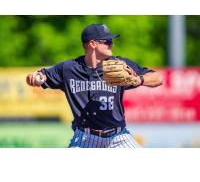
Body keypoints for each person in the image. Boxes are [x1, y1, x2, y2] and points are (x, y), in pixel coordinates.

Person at [26, 23, 163, 148]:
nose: (112, 44)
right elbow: (38, 76)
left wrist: (139, 80)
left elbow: (158, 78)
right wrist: (36, 78)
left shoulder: (118, 65)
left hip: (119, 136)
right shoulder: (68, 69)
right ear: (92, 44)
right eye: (107, 41)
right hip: (85, 138)